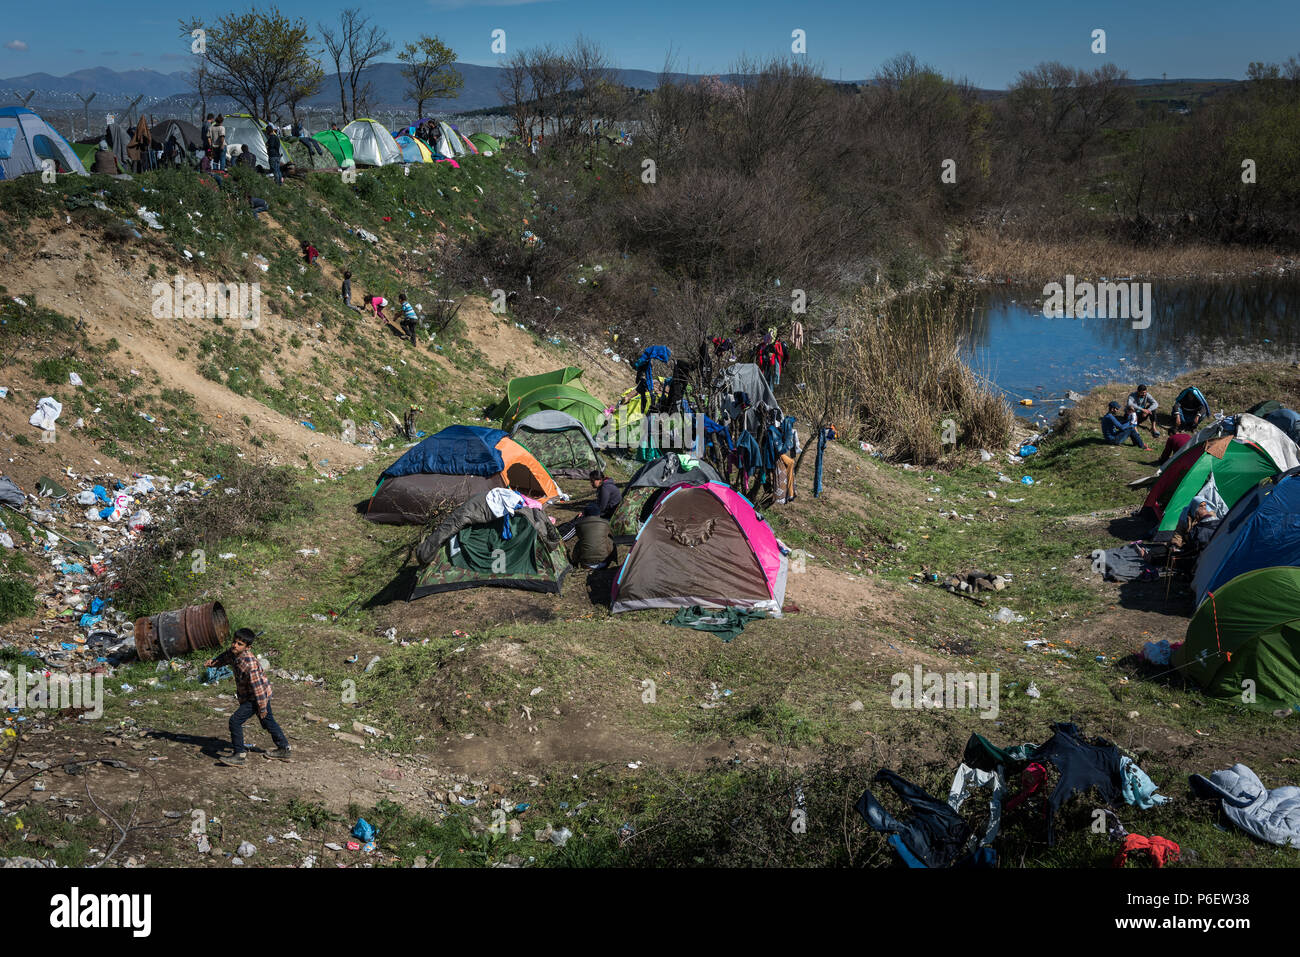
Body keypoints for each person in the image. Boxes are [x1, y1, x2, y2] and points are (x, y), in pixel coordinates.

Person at [206, 629, 291, 765]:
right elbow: (226, 656)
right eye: (234, 642)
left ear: (248, 648)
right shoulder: (234, 653)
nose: (235, 645)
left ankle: (239, 755)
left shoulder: (249, 664)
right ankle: (284, 748)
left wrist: (262, 708)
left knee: (235, 721)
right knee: (268, 721)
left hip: (257, 697)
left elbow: (258, 690)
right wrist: (214, 663)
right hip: (251, 695)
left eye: (240, 644)